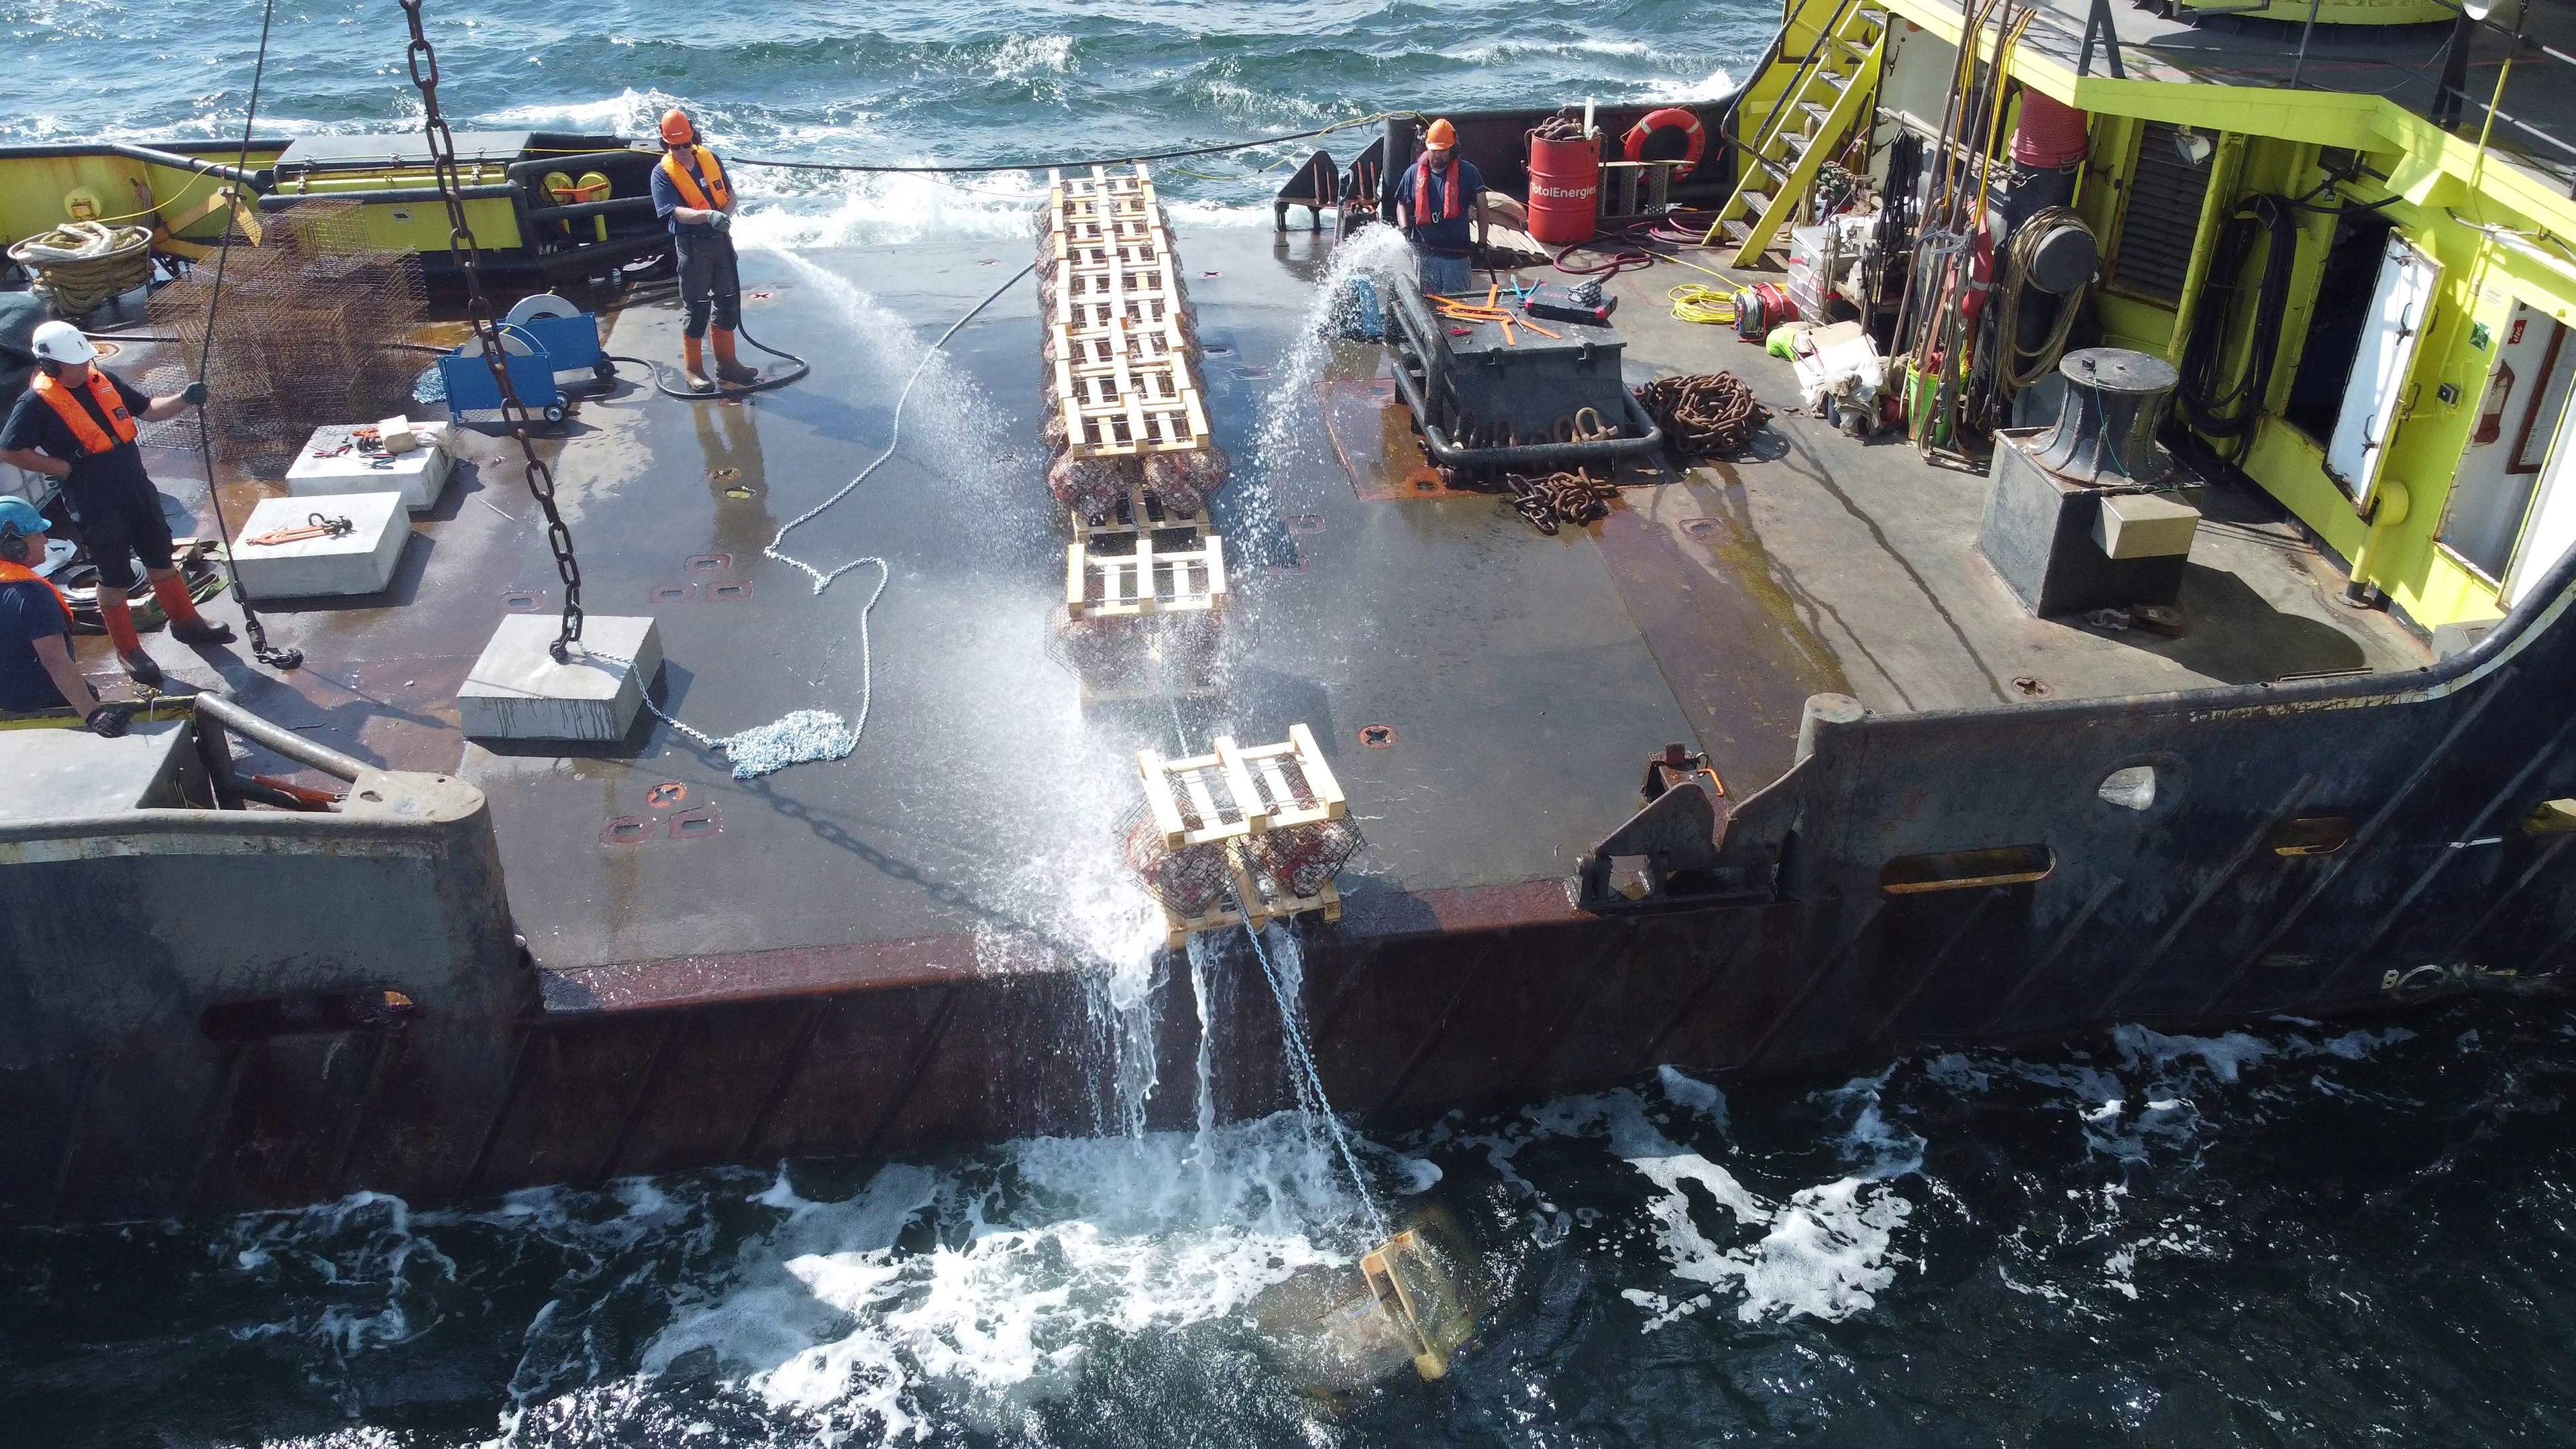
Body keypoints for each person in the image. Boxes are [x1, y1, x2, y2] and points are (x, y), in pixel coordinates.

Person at [0, 322, 232, 686]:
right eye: (74, 364)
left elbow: (149, 410)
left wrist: (184, 399)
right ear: (50, 366)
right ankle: (129, 650)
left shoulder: (100, 378)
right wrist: (55, 466)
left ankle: (188, 624)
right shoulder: (34, 404)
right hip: (95, 502)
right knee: (114, 576)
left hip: (137, 489)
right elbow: (9, 449)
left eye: (84, 361)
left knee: (160, 557)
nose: (82, 368)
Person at [650, 108, 761, 394]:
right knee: (697, 307)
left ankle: (728, 364)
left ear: (693, 138)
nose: (684, 150)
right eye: (677, 146)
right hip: (692, 247)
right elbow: (673, 212)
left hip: (721, 245)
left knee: (727, 302)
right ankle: (694, 370)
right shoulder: (662, 174)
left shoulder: (710, 159)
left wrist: (724, 214)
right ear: (667, 145)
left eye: (687, 144)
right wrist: (707, 217)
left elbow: (731, 195)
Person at [0, 496, 129, 735]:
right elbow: (55, 661)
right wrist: (94, 715)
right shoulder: (33, 595)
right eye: (38, 534)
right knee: (86, 692)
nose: (46, 540)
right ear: (15, 547)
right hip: (36, 698)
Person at [1393, 118, 1527, 298]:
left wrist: (1482, 241)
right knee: (1428, 305)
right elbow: (1401, 203)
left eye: (1443, 151)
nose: (1437, 155)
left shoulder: (1468, 173)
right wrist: (1405, 229)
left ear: (1453, 148)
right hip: (1425, 256)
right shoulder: (1413, 173)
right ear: (1427, 148)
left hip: (1456, 258)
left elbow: (1482, 206)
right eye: (1434, 151)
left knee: (1459, 304)